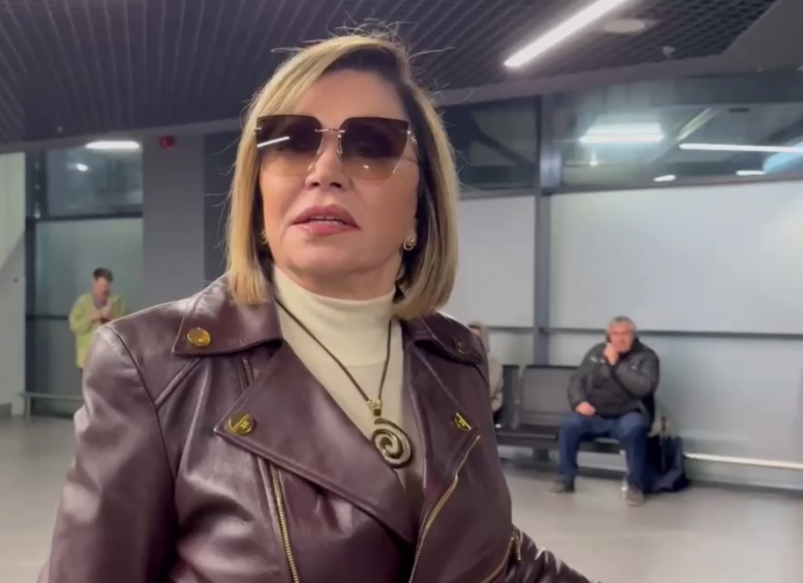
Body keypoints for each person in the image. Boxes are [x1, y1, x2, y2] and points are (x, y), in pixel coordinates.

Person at [40, 32, 593, 583]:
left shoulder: (455, 356)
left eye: (371, 144)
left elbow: (491, 554)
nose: (324, 170)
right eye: (290, 142)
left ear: (419, 206)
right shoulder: (153, 368)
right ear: (258, 195)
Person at [552, 316, 660, 506]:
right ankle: (565, 478)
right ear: (608, 336)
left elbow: (644, 387)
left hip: (628, 415)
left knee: (635, 428)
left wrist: (616, 364)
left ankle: (635, 485)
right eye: (615, 334)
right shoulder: (596, 352)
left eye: (625, 334)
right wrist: (578, 402)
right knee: (569, 424)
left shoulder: (647, 357)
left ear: (633, 335)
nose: (620, 338)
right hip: (595, 415)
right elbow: (577, 380)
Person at [67, 267, 126, 371]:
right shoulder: (82, 302)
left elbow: (126, 327)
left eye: (106, 286)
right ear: (94, 282)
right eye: (100, 285)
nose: (103, 289)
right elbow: (74, 326)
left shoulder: (117, 302)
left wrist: (111, 319)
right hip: (88, 360)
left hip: (111, 359)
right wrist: (91, 318)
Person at [469, 322, 504, 420]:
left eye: (475, 337)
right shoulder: (461, 360)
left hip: (485, 410)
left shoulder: (493, 363)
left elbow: (487, 391)